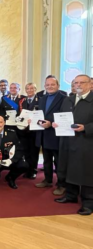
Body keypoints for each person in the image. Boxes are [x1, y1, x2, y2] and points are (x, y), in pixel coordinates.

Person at [54, 74, 93, 215]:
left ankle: (88, 202)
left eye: (82, 83)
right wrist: (56, 123)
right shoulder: (68, 100)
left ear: (90, 85)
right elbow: (61, 117)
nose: (78, 85)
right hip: (67, 141)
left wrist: (86, 128)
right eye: (76, 83)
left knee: (86, 171)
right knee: (68, 168)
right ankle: (70, 195)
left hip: (86, 142)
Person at [35, 75, 67, 195]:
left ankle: (61, 184)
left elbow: (65, 115)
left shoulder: (65, 98)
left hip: (57, 133)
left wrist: (51, 122)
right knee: (46, 160)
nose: (50, 86)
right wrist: (33, 120)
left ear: (58, 86)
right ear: (44, 86)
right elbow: (39, 115)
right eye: (47, 85)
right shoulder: (42, 99)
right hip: (44, 133)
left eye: (52, 84)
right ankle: (48, 180)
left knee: (59, 161)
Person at [0, 115, 28, 189]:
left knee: (24, 166)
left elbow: (19, 149)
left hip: (8, 160)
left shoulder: (12, 134)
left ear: (4, 123)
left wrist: (12, 160)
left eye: (0, 122)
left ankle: (11, 177)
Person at [17, 83, 40, 179]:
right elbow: (19, 114)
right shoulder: (22, 101)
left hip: (34, 131)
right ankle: (27, 169)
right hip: (24, 131)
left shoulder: (40, 100)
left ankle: (33, 170)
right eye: (27, 88)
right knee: (25, 151)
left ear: (35, 89)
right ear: (25, 90)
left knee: (34, 152)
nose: (29, 90)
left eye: (32, 88)